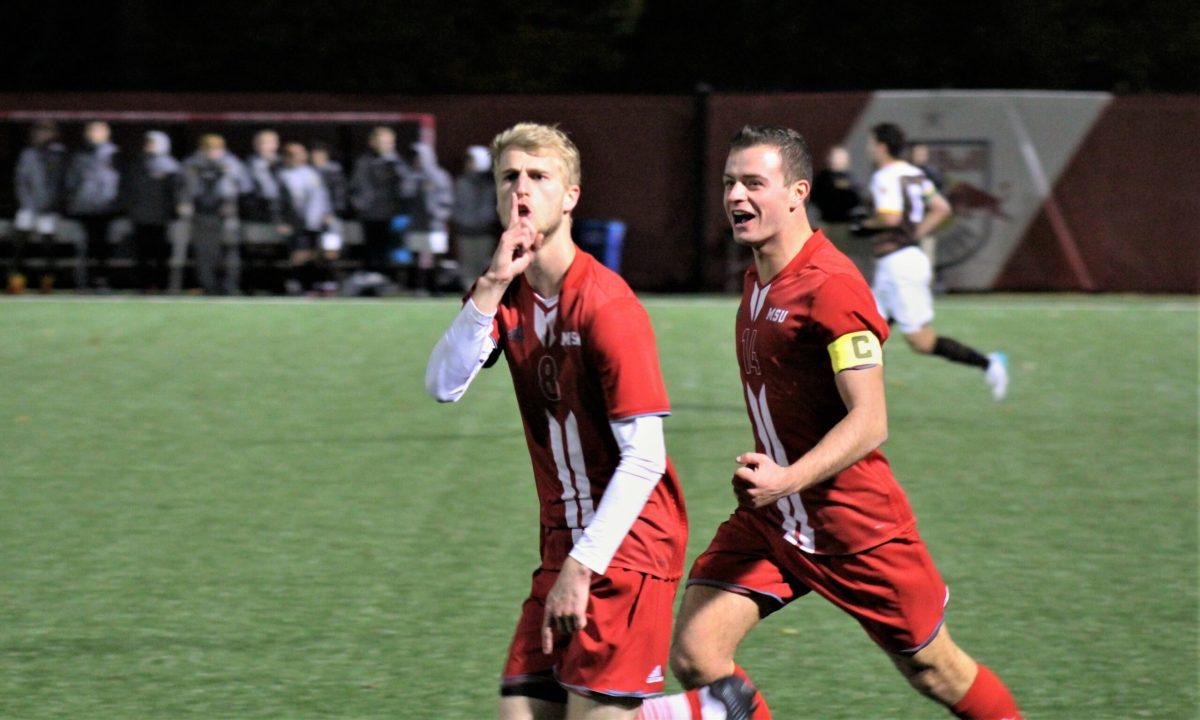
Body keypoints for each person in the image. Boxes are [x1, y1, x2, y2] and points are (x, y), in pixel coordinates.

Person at [640, 126, 1023, 720]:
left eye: (753, 184)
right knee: (697, 655)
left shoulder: (832, 287)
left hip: (854, 525)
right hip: (773, 521)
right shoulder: (758, 277)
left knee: (936, 670)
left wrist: (787, 478)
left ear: (798, 192)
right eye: (729, 184)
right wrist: (780, 489)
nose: (737, 197)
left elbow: (870, 422)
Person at [425, 123, 689, 720]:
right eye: (509, 178)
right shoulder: (507, 291)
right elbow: (444, 385)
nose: (521, 190)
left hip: (626, 543)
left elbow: (644, 458)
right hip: (563, 545)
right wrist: (491, 284)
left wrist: (582, 565)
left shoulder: (608, 306)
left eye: (538, 177)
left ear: (570, 196)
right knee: (520, 715)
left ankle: (710, 711)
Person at [856, 123, 1008, 401]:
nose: (868, 149)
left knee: (921, 341)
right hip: (901, 263)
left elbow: (889, 218)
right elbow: (942, 208)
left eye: (870, 143)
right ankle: (851, 400)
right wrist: (914, 233)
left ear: (880, 146)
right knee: (862, 332)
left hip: (899, 267)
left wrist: (865, 223)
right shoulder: (915, 174)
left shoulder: (885, 176)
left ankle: (989, 363)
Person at [178, 134, 249, 295]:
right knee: (205, 253)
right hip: (202, 214)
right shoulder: (191, 165)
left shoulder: (232, 164)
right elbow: (184, 188)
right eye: (209, 149)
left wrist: (232, 201)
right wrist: (185, 203)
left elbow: (244, 188)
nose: (213, 152)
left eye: (216, 149)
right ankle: (209, 286)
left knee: (230, 251)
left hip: (227, 214)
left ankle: (230, 287)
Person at [11, 120, 68, 292]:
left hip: (49, 208)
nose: (41, 135)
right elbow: (21, 181)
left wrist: (52, 204)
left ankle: (47, 282)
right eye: (39, 131)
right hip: (28, 207)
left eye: (46, 131)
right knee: (20, 245)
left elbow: (61, 183)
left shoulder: (59, 155)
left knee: (48, 247)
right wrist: (27, 204)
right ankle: (16, 281)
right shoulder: (28, 154)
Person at [350, 126, 415, 276]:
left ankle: (390, 281)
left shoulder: (398, 163)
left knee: (393, 250)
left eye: (389, 142)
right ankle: (372, 281)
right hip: (370, 215)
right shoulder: (364, 162)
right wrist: (360, 204)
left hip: (393, 215)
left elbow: (407, 188)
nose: (385, 145)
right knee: (372, 250)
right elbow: (356, 186)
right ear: (372, 142)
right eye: (382, 142)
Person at [121, 130, 181, 292]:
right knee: (142, 253)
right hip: (140, 216)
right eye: (148, 142)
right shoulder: (137, 164)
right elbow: (128, 189)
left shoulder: (171, 166)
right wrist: (129, 208)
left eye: (153, 142)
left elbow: (175, 192)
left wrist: (174, 211)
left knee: (160, 252)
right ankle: (143, 284)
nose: (149, 146)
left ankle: (161, 284)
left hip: (161, 217)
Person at [65, 121, 120, 291]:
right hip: (84, 206)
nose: (95, 134)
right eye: (92, 131)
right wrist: (73, 200)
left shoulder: (115, 154)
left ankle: (101, 279)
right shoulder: (79, 155)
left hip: (106, 207)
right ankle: (84, 281)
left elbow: (119, 180)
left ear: (106, 134)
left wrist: (115, 201)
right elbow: (71, 181)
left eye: (99, 131)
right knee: (85, 245)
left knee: (103, 245)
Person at [276, 142, 334, 294]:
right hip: (296, 221)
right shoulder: (283, 175)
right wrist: (281, 220)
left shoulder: (312, 173)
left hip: (317, 221)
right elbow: (279, 201)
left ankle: (319, 284)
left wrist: (327, 212)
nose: (300, 158)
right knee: (299, 254)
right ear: (286, 158)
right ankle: (297, 284)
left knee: (321, 252)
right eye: (294, 155)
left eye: (301, 154)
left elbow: (323, 195)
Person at [808, 144, 869, 279]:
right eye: (835, 157)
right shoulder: (822, 178)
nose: (836, 161)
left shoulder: (851, 179)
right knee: (821, 256)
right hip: (825, 223)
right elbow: (814, 198)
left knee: (840, 257)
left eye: (840, 158)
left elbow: (857, 199)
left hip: (843, 225)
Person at [405, 141, 454, 295]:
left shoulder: (440, 176)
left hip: (435, 225)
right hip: (416, 224)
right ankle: (418, 286)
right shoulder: (411, 177)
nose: (416, 160)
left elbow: (447, 200)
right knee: (417, 256)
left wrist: (439, 214)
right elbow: (404, 195)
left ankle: (437, 287)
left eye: (419, 157)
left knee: (436, 256)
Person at [453, 145, 499, 289]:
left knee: (483, 265)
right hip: (466, 230)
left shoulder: (491, 184)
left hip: (484, 230)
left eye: (471, 161)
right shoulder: (462, 182)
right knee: (467, 265)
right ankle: (469, 293)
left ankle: (481, 294)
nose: (468, 164)